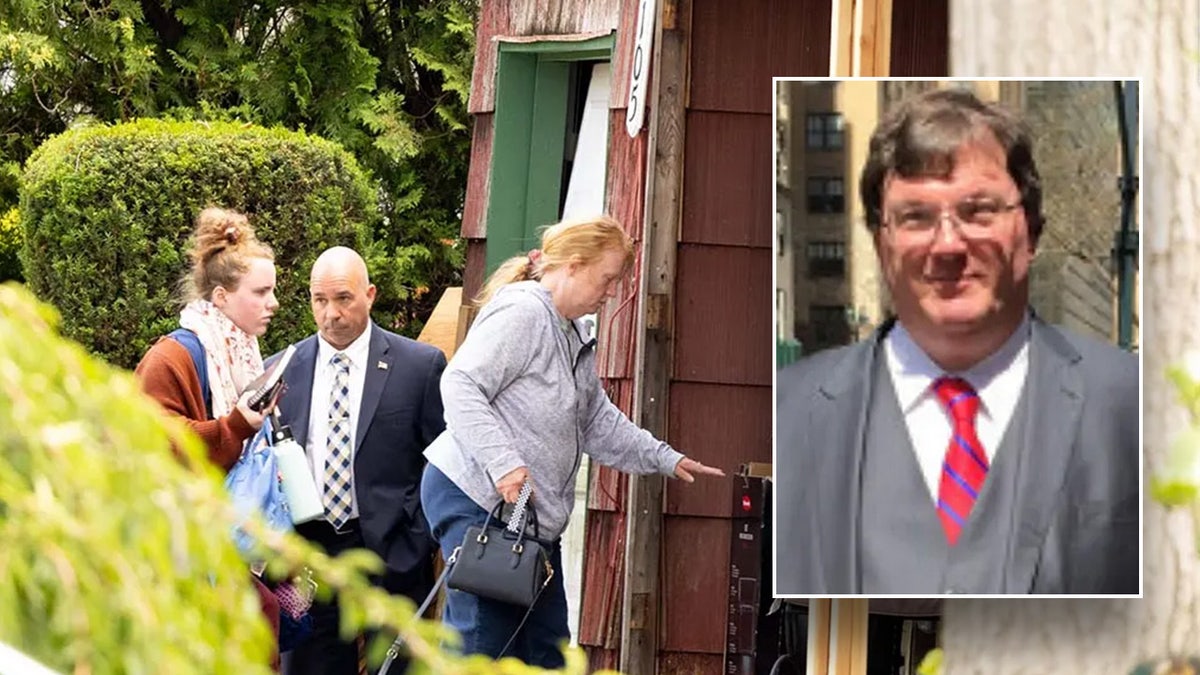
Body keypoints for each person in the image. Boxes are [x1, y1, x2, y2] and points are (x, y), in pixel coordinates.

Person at [775, 88, 1139, 595]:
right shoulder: (789, 412)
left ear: (1031, 232)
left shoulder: (1135, 408)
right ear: (882, 243)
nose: (947, 244)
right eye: (916, 216)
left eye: (978, 210)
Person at [421, 215, 726, 668]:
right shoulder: (524, 312)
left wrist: (666, 458)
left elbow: (597, 421)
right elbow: (461, 384)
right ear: (573, 266)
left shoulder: (572, 334)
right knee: (481, 651)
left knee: (547, 654)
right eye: (607, 279)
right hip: (479, 501)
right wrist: (504, 464)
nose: (611, 293)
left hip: (530, 519)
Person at [272, 246, 447, 675]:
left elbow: (443, 464)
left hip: (393, 554)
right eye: (319, 300)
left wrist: (419, 536)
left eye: (343, 298)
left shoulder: (418, 367)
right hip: (308, 559)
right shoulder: (280, 371)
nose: (331, 313)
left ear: (370, 294)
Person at [134, 206, 283, 666]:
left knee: (275, 615)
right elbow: (147, 440)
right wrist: (233, 426)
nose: (273, 302)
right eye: (261, 292)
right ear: (221, 297)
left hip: (231, 549)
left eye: (273, 290)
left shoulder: (244, 356)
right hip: (178, 559)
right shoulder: (174, 356)